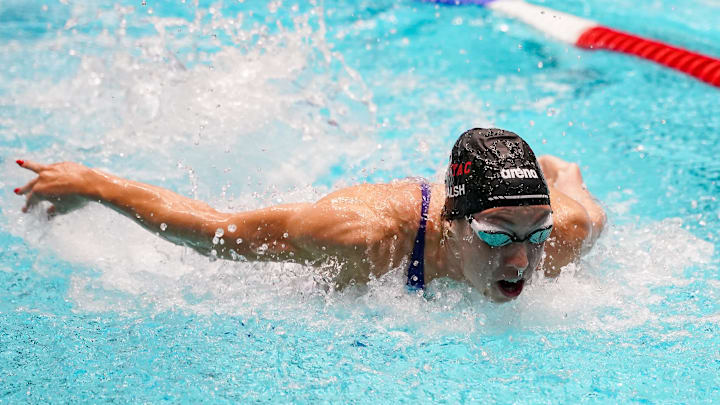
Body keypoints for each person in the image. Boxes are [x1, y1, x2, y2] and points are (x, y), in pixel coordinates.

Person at [13, 128, 605, 302]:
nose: (522, 260)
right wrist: (95, 184)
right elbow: (212, 231)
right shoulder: (360, 236)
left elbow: (590, 213)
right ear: (453, 220)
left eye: (536, 233)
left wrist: (564, 182)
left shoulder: (562, 235)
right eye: (498, 235)